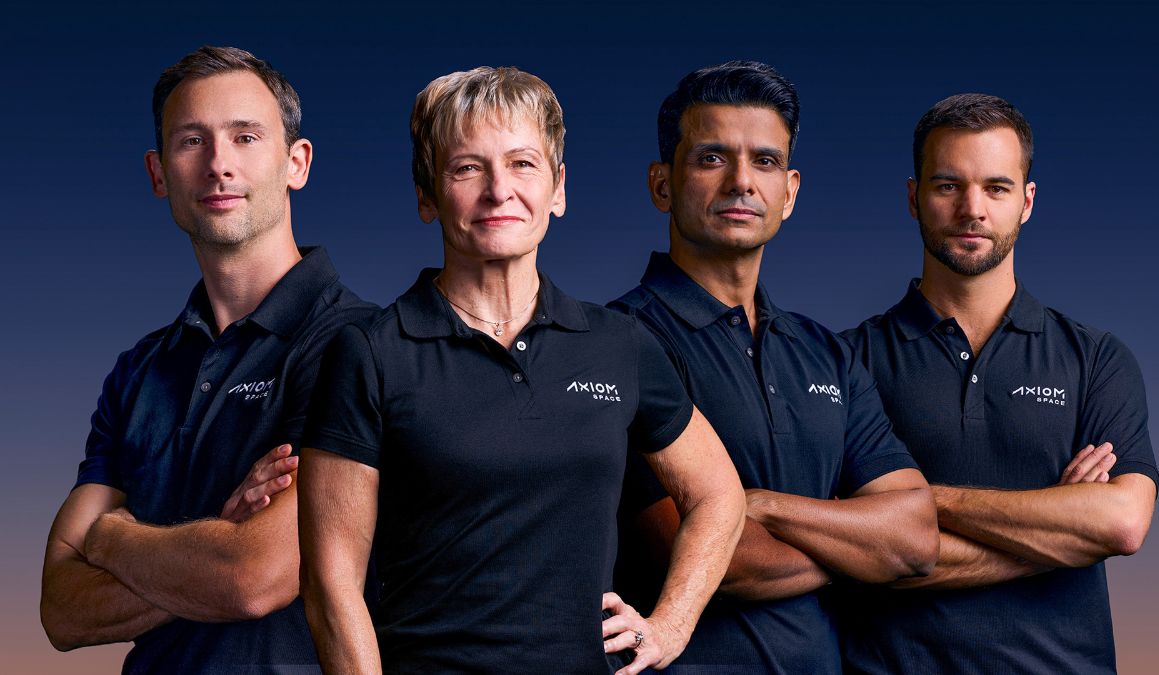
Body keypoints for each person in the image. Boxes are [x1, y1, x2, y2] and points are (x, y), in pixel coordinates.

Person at [298, 66, 746, 675]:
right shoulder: (372, 353)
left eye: (523, 164)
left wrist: (670, 624)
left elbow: (718, 496)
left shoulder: (618, 344)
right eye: (466, 168)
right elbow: (332, 587)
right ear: (428, 196)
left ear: (558, 189)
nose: (498, 190)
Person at [40, 46, 374, 672]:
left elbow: (255, 577)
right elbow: (61, 610)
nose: (219, 165)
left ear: (296, 162)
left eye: (246, 137)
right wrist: (216, 540)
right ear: (159, 172)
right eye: (192, 140)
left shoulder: (358, 344)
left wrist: (112, 537)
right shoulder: (137, 373)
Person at [608, 61, 938, 674]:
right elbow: (706, 557)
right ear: (662, 183)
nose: (741, 182)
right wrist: (862, 548)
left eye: (763, 161)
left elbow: (916, 537)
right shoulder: (617, 343)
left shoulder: (826, 353)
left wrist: (760, 506)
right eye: (711, 158)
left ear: (789, 191)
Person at [838, 93, 1159, 673]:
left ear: (1027, 201)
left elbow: (1122, 522)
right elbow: (846, 552)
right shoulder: (844, 361)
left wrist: (913, 505)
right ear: (914, 197)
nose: (972, 209)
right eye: (947, 186)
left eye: (996, 187)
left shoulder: (1097, 360)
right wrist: (1062, 526)